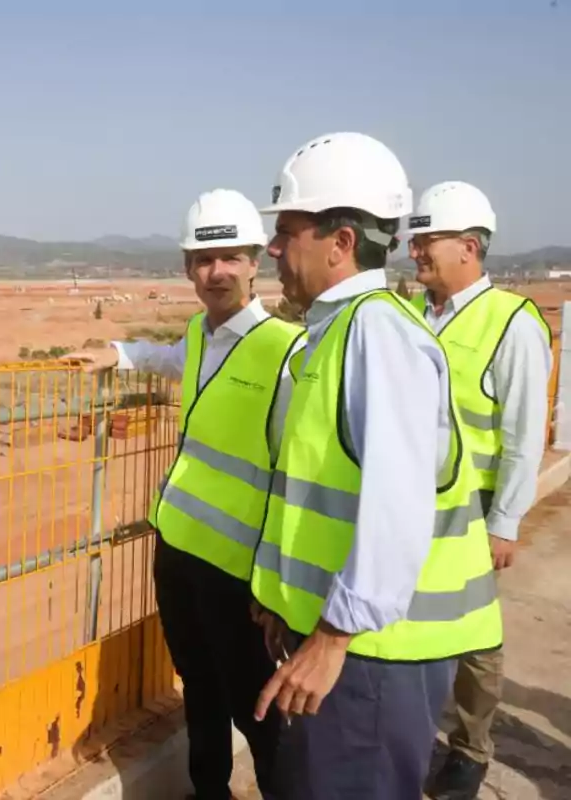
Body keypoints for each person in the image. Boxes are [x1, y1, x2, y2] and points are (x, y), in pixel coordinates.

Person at [247, 132, 503, 800]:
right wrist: (283, 599)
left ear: (339, 241)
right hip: (345, 641)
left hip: (371, 656)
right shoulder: (335, 330)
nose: (273, 248)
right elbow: (320, 490)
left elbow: (397, 504)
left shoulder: (377, 334)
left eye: (288, 231)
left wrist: (330, 638)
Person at [66, 188, 303, 800]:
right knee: (197, 683)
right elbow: (172, 359)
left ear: (256, 261)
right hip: (177, 546)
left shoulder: (286, 352)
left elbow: (293, 477)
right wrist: (117, 354)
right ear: (186, 268)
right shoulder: (201, 332)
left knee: (257, 701)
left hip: (239, 570)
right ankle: (209, 791)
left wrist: (273, 581)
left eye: (229, 257)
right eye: (203, 259)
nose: (215, 271)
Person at [407, 181, 553, 800]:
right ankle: (412, 736)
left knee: (472, 638)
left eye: (427, 239)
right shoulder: (413, 315)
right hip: (408, 508)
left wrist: (505, 522)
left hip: (469, 516)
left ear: (469, 247)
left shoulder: (512, 323)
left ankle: (469, 749)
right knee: (409, 630)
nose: (415, 250)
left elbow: (523, 436)